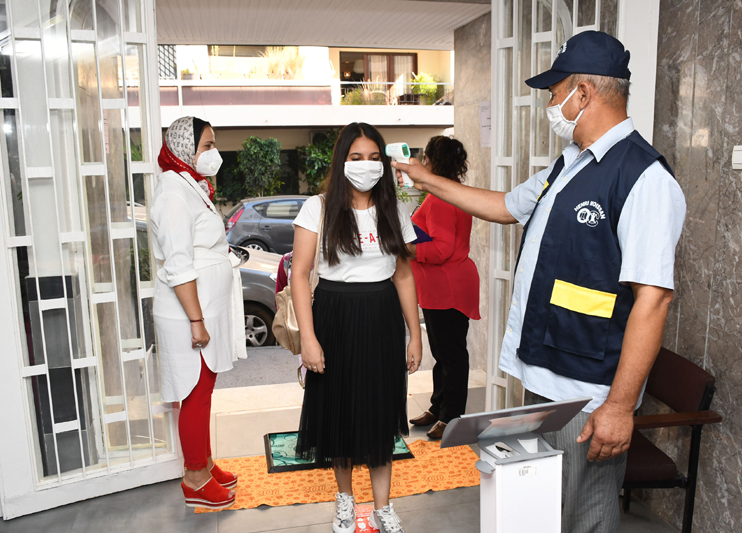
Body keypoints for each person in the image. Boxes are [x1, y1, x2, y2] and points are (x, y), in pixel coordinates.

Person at [392, 31, 686, 533]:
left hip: (588, 387)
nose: (551, 105)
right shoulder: (568, 164)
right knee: (545, 509)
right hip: (545, 373)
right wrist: (427, 179)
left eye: (555, 93)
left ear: (583, 93)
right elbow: (505, 206)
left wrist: (619, 407)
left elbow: (653, 301)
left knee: (585, 513)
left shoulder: (644, 179)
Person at [291, 122, 421, 533]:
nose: (366, 165)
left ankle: (383, 507)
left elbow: (403, 275)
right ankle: (345, 500)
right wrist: (308, 339)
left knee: (381, 413)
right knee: (341, 413)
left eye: (374, 157)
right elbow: (299, 275)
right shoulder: (318, 207)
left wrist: (415, 334)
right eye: (356, 157)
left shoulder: (395, 210)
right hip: (334, 315)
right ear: (341, 160)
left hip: (382, 317)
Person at [150, 116, 239, 510]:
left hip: (202, 309)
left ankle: (204, 462)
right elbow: (178, 263)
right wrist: (197, 321)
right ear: (186, 148)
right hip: (187, 314)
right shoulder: (172, 193)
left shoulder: (190, 184)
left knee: (203, 390)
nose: (213, 153)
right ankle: (195, 479)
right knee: (194, 393)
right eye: (207, 145)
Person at [406, 136, 480, 441]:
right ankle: (439, 408)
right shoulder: (452, 192)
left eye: (425, 158)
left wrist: (406, 248)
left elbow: (440, 250)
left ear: (432, 162)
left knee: (451, 356)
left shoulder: (441, 199)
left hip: (446, 286)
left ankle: (451, 417)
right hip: (446, 285)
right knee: (444, 353)